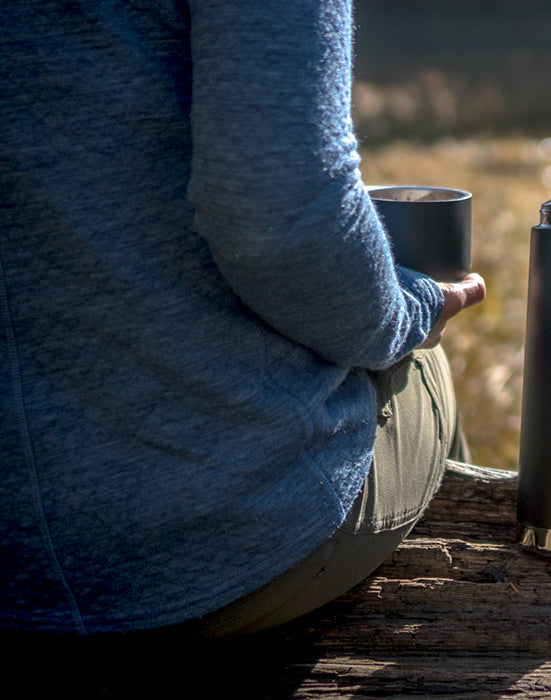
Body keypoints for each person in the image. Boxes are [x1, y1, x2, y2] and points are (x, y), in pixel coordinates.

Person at [0, 0, 485, 636]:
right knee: (423, 362)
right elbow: (279, 219)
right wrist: (411, 309)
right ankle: (480, 607)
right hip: (206, 551)